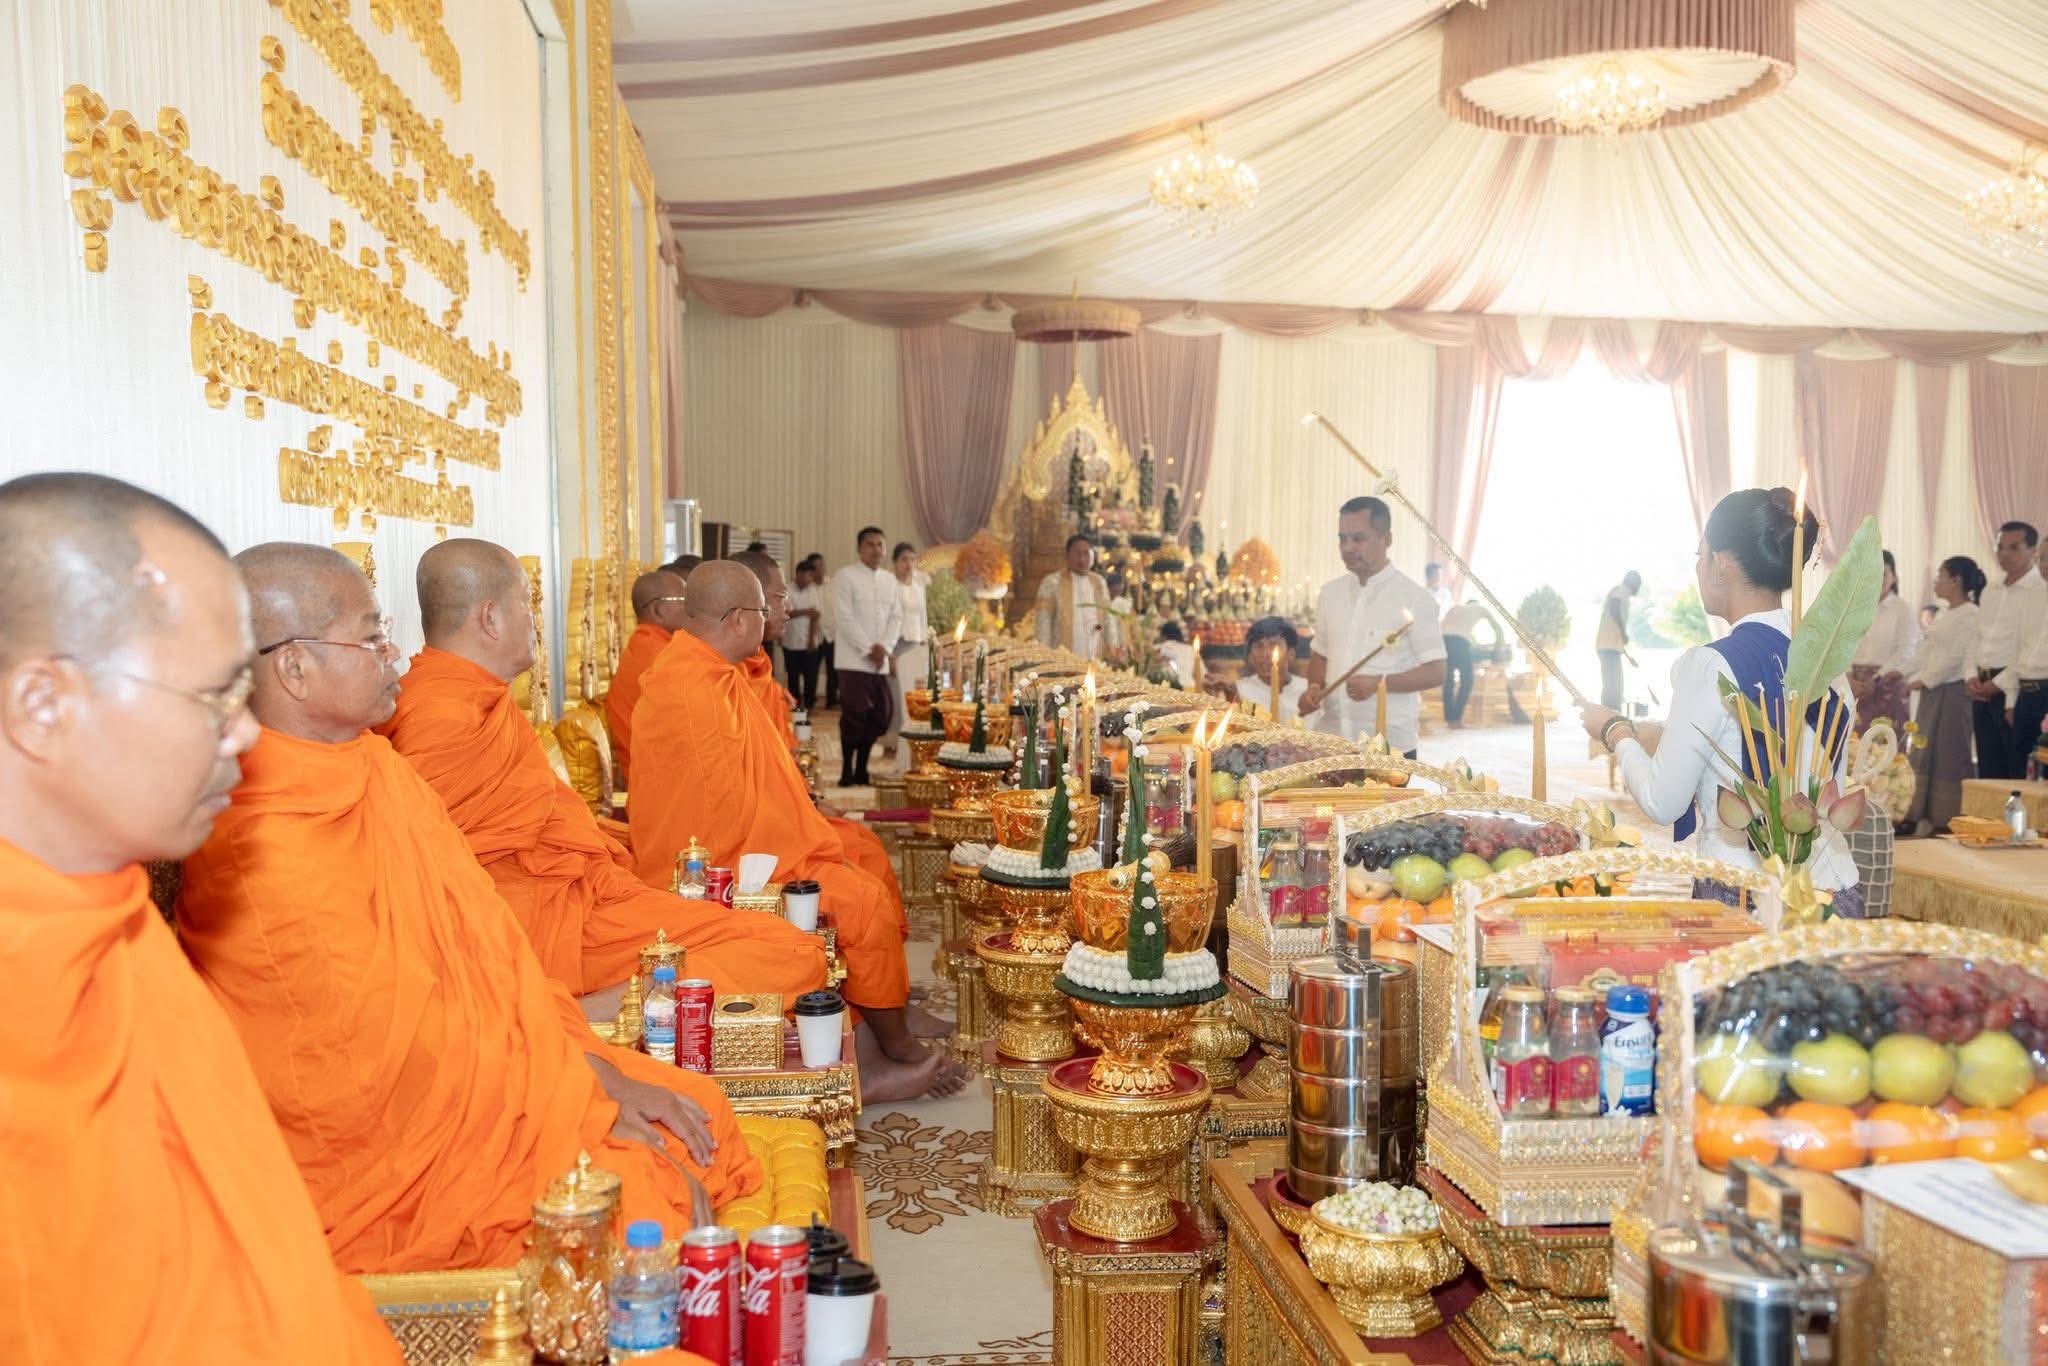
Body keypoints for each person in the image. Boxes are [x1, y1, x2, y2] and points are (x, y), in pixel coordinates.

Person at [177, 543, 759, 1272]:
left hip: (496, 1067)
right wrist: (579, 1110)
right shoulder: (261, 838)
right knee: (648, 1192)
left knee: (704, 1116)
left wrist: (597, 1079)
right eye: (370, 638)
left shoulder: (375, 768)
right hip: (398, 1147)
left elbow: (488, 953)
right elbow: (386, 1064)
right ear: (294, 667)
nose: (394, 655)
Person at [0, 474, 399, 1362]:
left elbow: (257, 1244)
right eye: (215, 698)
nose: (249, 735)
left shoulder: (116, 926)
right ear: (41, 705)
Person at [378, 539, 828, 1003]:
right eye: (527, 603)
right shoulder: (439, 714)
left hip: (579, 897)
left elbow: (536, 821)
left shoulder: (476, 699)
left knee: (787, 947)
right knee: (789, 952)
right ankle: (577, 1013)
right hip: (536, 926)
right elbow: (439, 880)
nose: (535, 620)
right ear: (490, 618)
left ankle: (602, 1004)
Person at [627, 562, 968, 1102]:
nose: (771, 618)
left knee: (856, 867)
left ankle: (880, 1038)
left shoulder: (707, 672)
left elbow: (749, 789)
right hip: (715, 870)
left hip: (748, 845)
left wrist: (803, 824)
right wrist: (801, 841)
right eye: (765, 609)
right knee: (859, 902)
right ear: (738, 619)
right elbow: (720, 821)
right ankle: (891, 1048)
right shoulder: (693, 692)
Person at [1580, 489, 1863, 914]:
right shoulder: (1831, 666)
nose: (1698, 567)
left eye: (1700, 555)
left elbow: (1662, 800)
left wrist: (1614, 731)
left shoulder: (1712, 665)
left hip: (1748, 896)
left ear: (1721, 564)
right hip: (1833, 894)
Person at [730, 550, 907, 908]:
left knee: (867, 854)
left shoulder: (752, 670)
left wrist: (806, 801)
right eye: (780, 597)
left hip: (783, 812)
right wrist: (805, 808)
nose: (787, 608)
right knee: (865, 891)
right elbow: (740, 790)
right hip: (753, 843)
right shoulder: (716, 683)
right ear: (745, 610)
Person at [1301, 496, 1446, 758]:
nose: (1348, 548)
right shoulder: (1330, 594)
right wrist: (1313, 686)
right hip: (1331, 740)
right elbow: (1320, 654)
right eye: (1342, 539)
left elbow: (1436, 672)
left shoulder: (1415, 598)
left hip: (1389, 746)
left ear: (1386, 539)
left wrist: (1380, 683)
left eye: (1358, 538)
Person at [1904, 556, 1987, 834]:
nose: (1936, 581)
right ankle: (1920, 815)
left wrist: (1924, 680)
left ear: (1956, 580)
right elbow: (1927, 650)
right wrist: (1904, 673)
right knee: (1924, 750)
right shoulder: (1945, 613)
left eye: (1940, 575)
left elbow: (1957, 656)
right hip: (1932, 690)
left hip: (1952, 692)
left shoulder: (1971, 614)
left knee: (1949, 754)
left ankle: (1947, 818)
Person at [1968, 521, 2044, 780]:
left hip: (2014, 689)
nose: (2004, 554)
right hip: (1981, 685)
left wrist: (1999, 683)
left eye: (2014, 547)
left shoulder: (2038, 590)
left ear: (2033, 550)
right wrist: (1970, 674)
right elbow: (1976, 636)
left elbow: (2028, 648)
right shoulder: (1992, 588)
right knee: (1988, 766)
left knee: (2015, 769)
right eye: (2000, 547)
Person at [828, 529, 901, 788]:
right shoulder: (845, 576)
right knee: (855, 715)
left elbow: (896, 618)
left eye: (880, 545)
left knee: (881, 716)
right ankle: (847, 771)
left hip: (879, 662)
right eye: (870, 544)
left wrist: (885, 647)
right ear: (860, 549)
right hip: (853, 660)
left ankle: (862, 768)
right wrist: (869, 648)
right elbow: (844, 618)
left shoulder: (890, 580)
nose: (876, 549)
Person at [608, 567, 687, 788]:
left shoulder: (654, 647)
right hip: (661, 783)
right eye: (683, 599)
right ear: (658, 610)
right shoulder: (661, 658)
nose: (691, 608)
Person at [1848, 550, 1917, 736]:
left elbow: (1906, 650)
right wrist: (1849, 678)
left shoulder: (1903, 609)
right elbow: (1843, 645)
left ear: (1893, 577)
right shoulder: (1855, 608)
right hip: (1855, 686)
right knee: (1856, 744)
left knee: (1887, 744)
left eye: (1884, 573)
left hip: (1888, 685)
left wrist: (1877, 678)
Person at [1996, 531, 2048, 772]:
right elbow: (2017, 650)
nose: (2045, 564)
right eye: (2042, 558)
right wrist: (2011, 701)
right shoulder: (2031, 596)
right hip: (2026, 695)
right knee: (2019, 768)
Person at [1035, 534, 1118, 658]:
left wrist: (1113, 647)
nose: (1082, 559)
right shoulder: (1052, 582)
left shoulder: (1099, 582)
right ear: (1067, 555)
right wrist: (1043, 654)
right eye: (1077, 553)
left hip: (1095, 658)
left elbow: (1108, 618)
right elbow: (1043, 622)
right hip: (1062, 658)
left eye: (1086, 553)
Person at [886, 542, 930, 766]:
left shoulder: (918, 586)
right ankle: (894, 742)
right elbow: (886, 620)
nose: (909, 564)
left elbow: (923, 617)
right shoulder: (889, 586)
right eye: (904, 559)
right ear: (895, 562)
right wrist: (890, 654)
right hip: (896, 645)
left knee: (914, 697)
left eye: (912, 559)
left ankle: (912, 742)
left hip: (915, 644)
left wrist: (924, 644)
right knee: (896, 697)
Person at [1234, 616, 1308, 722]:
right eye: (1259, 646)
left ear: (1291, 653)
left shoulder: (1306, 692)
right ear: (1250, 656)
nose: (1266, 654)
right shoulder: (1240, 691)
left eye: (1274, 645)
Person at [1440, 596, 1493, 729]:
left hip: (1443, 641)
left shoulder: (1455, 608)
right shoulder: (1479, 608)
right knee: (1467, 680)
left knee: (1448, 682)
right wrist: (1499, 644)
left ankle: (1450, 720)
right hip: (1459, 642)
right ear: (1475, 603)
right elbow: (1496, 627)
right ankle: (1456, 719)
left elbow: (1443, 626)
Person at [782, 558, 826, 713]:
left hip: (809, 641)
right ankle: (794, 705)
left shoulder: (812, 590)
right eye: (809, 575)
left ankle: (809, 705)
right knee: (792, 676)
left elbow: (815, 615)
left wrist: (811, 639)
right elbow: (786, 613)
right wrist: (805, 611)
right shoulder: (786, 589)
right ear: (799, 574)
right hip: (790, 641)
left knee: (811, 676)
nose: (811, 579)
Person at [1596, 571, 1642, 712]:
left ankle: (1611, 714)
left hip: (1609, 647)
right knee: (1613, 686)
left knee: (1614, 685)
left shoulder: (1622, 593)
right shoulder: (1621, 591)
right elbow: (1614, 607)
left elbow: (1613, 629)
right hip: (1608, 647)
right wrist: (1623, 632)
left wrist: (1628, 656)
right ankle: (1610, 717)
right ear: (1633, 583)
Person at [1155, 620, 1197, 690]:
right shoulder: (1190, 649)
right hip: (1191, 687)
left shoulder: (1160, 648)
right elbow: (1201, 673)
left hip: (1172, 689)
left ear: (1163, 636)